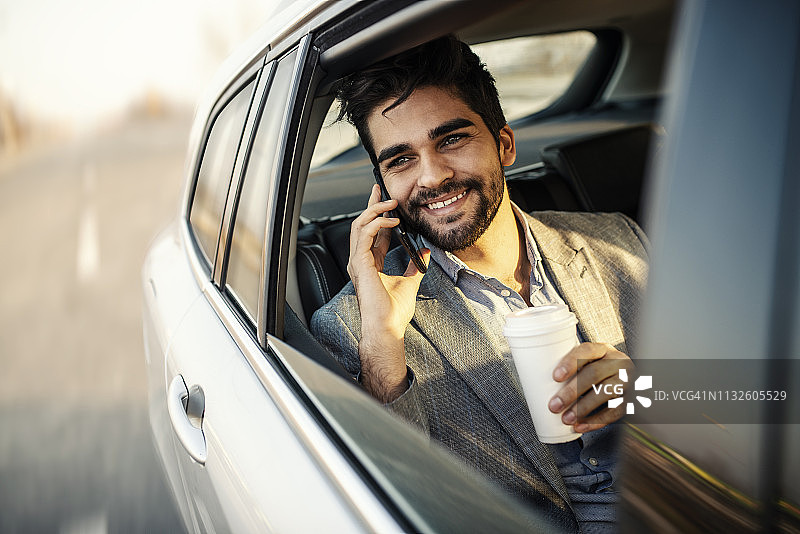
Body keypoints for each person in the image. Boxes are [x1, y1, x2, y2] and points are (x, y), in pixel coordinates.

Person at [311, 35, 648, 533]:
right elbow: (384, 497)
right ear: (381, 186)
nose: (432, 177)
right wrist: (383, 343)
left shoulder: (617, 242)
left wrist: (642, 389)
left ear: (505, 144)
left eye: (452, 139)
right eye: (400, 159)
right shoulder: (353, 328)